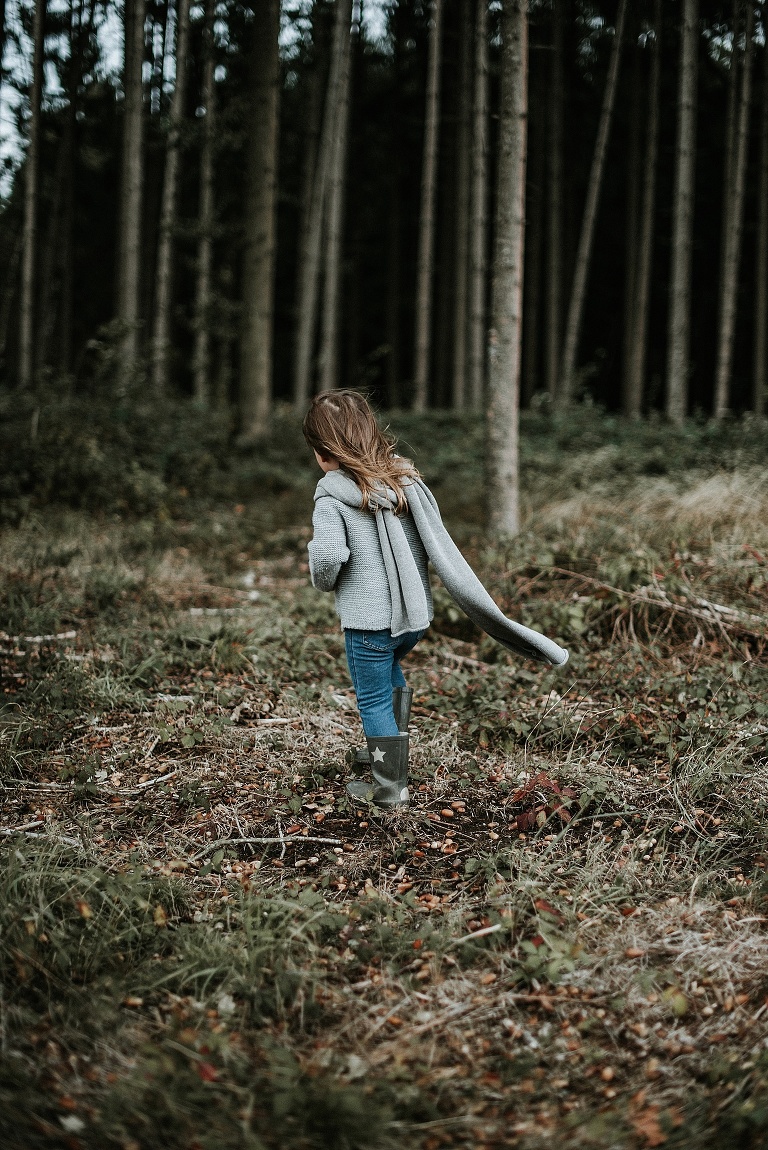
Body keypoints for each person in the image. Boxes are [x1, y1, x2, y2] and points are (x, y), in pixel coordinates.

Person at [303, 390, 569, 812]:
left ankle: (389, 790)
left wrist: (322, 578)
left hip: (368, 624)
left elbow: (328, 557)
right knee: (389, 676)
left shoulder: (331, 497)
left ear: (323, 452)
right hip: (412, 619)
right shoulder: (404, 482)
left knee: (372, 699)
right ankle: (386, 754)